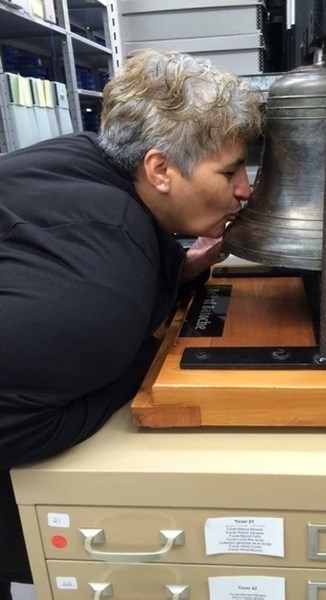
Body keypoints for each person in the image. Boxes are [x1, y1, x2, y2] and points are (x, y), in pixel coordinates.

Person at [0, 49, 263, 598]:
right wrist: (136, 362)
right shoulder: (99, 297)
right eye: (230, 170)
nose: (245, 190)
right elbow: (17, 429)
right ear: (159, 169)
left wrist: (179, 271)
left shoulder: (79, 156)